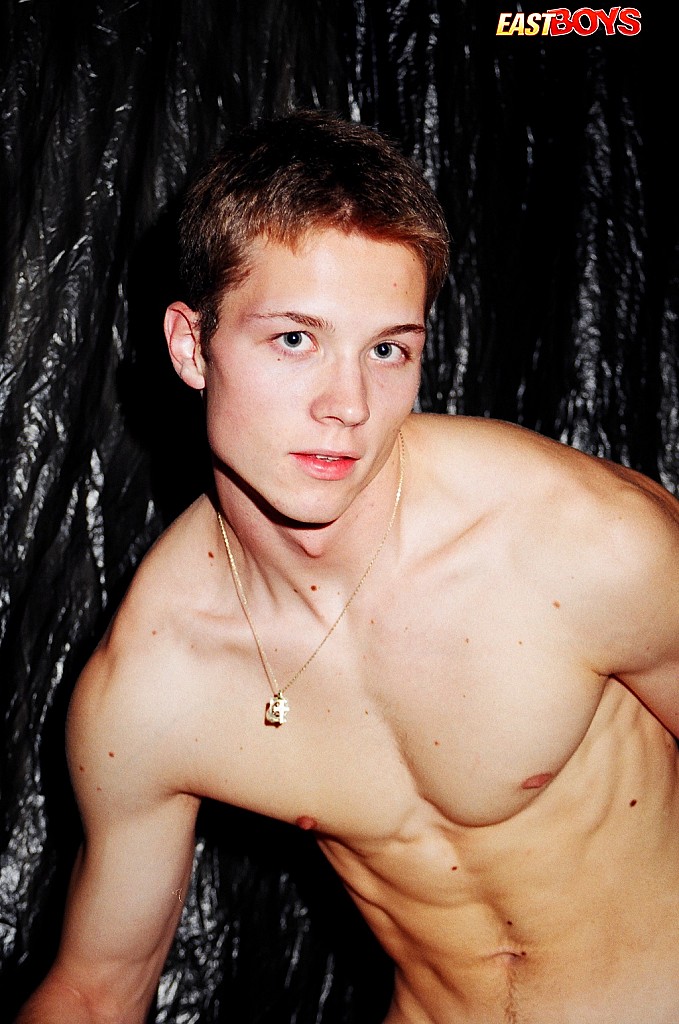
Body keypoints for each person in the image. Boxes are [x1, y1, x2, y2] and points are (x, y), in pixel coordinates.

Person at [17, 109, 679, 1024]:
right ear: (190, 346)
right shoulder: (152, 681)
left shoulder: (580, 542)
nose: (348, 404)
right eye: (295, 339)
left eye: (387, 349)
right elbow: (96, 992)